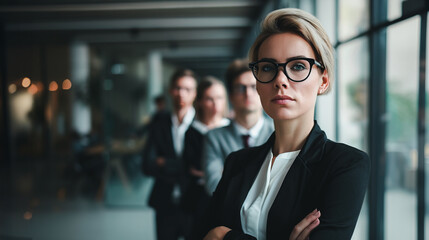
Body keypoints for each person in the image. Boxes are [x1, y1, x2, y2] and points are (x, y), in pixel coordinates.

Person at [198, 8, 370, 240]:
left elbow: (215, 233)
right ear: (257, 82)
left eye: (298, 66)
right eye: (268, 68)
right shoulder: (237, 162)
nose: (280, 80)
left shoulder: (345, 165)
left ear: (323, 81)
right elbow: (202, 234)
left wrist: (224, 235)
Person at [203, 59, 274, 195]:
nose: (248, 93)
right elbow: (214, 186)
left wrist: (230, 174)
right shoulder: (213, 137)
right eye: (240, 88)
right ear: (230, 96)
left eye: (254, 87)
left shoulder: (279, 133)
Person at [142, 68, 197, 240]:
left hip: (195, 202)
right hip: (164, 202)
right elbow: (147, 165)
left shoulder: (202, 125)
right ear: (170, 91)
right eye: (178, 88)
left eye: (187, 89)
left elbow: (202, 167)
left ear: (194, 93)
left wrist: (164, 163)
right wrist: (185, 166)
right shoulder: (159, 124)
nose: (182, 94)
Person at [181, 76, 230, 234]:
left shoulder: (231, 129)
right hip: (198, 199)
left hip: (228, 199)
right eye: (210, 99)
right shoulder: (193, 131)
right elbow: (193, 167)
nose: (216, 104)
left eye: (220, 98)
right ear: (200, 101)